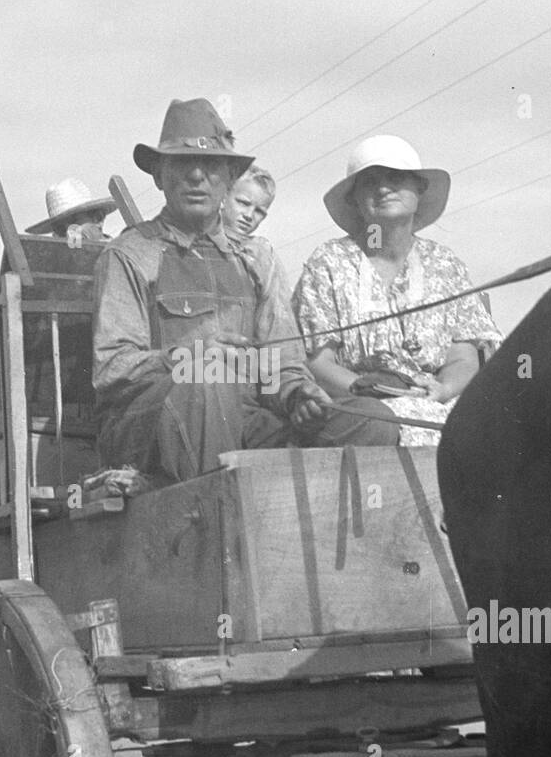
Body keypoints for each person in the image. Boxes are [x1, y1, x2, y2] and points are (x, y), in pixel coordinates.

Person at [92, 98, 398, 484]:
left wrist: (296, 394)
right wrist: (188, 359)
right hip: (151, 428)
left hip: (246, 418)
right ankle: (212, 522)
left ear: (229, 178)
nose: (197, 176)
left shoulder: (257, 259)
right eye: (182, 164)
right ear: (159, 176)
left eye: (211, 166)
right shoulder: (129, 254)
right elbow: (112, 370)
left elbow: (281, 359)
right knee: (208, 383)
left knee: (372, 422)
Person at [293, 135, 501, 447]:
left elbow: (463, 357)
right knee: (370, 425)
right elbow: (319, 363)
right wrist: (368, 389)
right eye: (370, 182)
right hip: (362, 407)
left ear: (419, 189)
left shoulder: (446, 264)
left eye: (395, 178)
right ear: (355, 199)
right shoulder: (329, 263)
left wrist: (443, 389)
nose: (383, 188)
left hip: (439, 405)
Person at [26, 177, 117, 243]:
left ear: (98, 218)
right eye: (60, 229)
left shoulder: (122, 258)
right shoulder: (55, 264)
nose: (69, 234)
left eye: (74, 222)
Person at [221, 164, 276, 244]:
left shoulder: (261, 252)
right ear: (223, 198)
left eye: (259, 211)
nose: (249, 215)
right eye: (244, 203)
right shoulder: (199, 239)